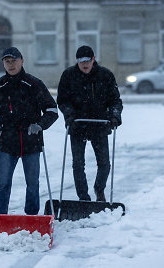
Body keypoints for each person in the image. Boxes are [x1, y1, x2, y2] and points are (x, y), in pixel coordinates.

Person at [0, 47, 58, 215]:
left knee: (32, 183)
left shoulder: (34, 84)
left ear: (22, 61)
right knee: (3, 182)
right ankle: (0, 217)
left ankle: (31, 216)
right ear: (3, 64)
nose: (10, 64)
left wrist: (40, 125)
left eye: (13, 60)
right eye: (6, 61)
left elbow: (52, 110)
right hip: (7, 142)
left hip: (31, 141)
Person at [57, 45, 123, 202]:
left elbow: (115, 100)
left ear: (93, 59)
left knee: (104, 164)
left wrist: (114, 117)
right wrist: (69, 115)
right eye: (81, 61)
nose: (84, 64)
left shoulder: (105, 75)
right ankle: (83, 197)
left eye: (87, 60)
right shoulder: (68, 75)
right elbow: (63, 100)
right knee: (78, 165)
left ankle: (99, 190)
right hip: (77, 125)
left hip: (100, 125)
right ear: (77, 61)